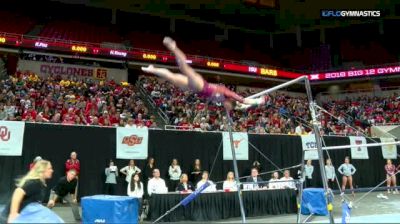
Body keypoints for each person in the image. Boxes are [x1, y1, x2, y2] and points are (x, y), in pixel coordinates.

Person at [141, 37, 267, 110]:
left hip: (196, 89)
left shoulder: (229, 103)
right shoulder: (229, 95)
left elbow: (242, 105)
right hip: (201, 85)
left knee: (172, 77)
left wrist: (256, 102)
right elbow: (244, 101)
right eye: (228, 107)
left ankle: (153, 69)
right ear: (230, 102)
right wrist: (259, 101)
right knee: (184, 67)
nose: (226, 108)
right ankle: (173, 47)